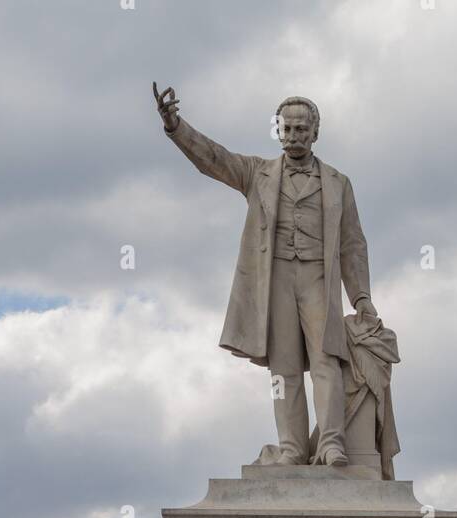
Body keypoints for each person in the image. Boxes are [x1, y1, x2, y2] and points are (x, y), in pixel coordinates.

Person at [154, 86, 378, 469]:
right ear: (278, 131)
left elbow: (352, 244)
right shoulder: (258, 174)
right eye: (287, 130)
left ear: (315, 133)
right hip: (275, 278)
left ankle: (331, 444)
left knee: (327, 361)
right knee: (284, 368)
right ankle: (292, 448)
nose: (293, 137)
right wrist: (176, 126)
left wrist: (360, 297)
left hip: (317, 278)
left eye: (301, 131)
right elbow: (214, 159)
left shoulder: (338, 182)